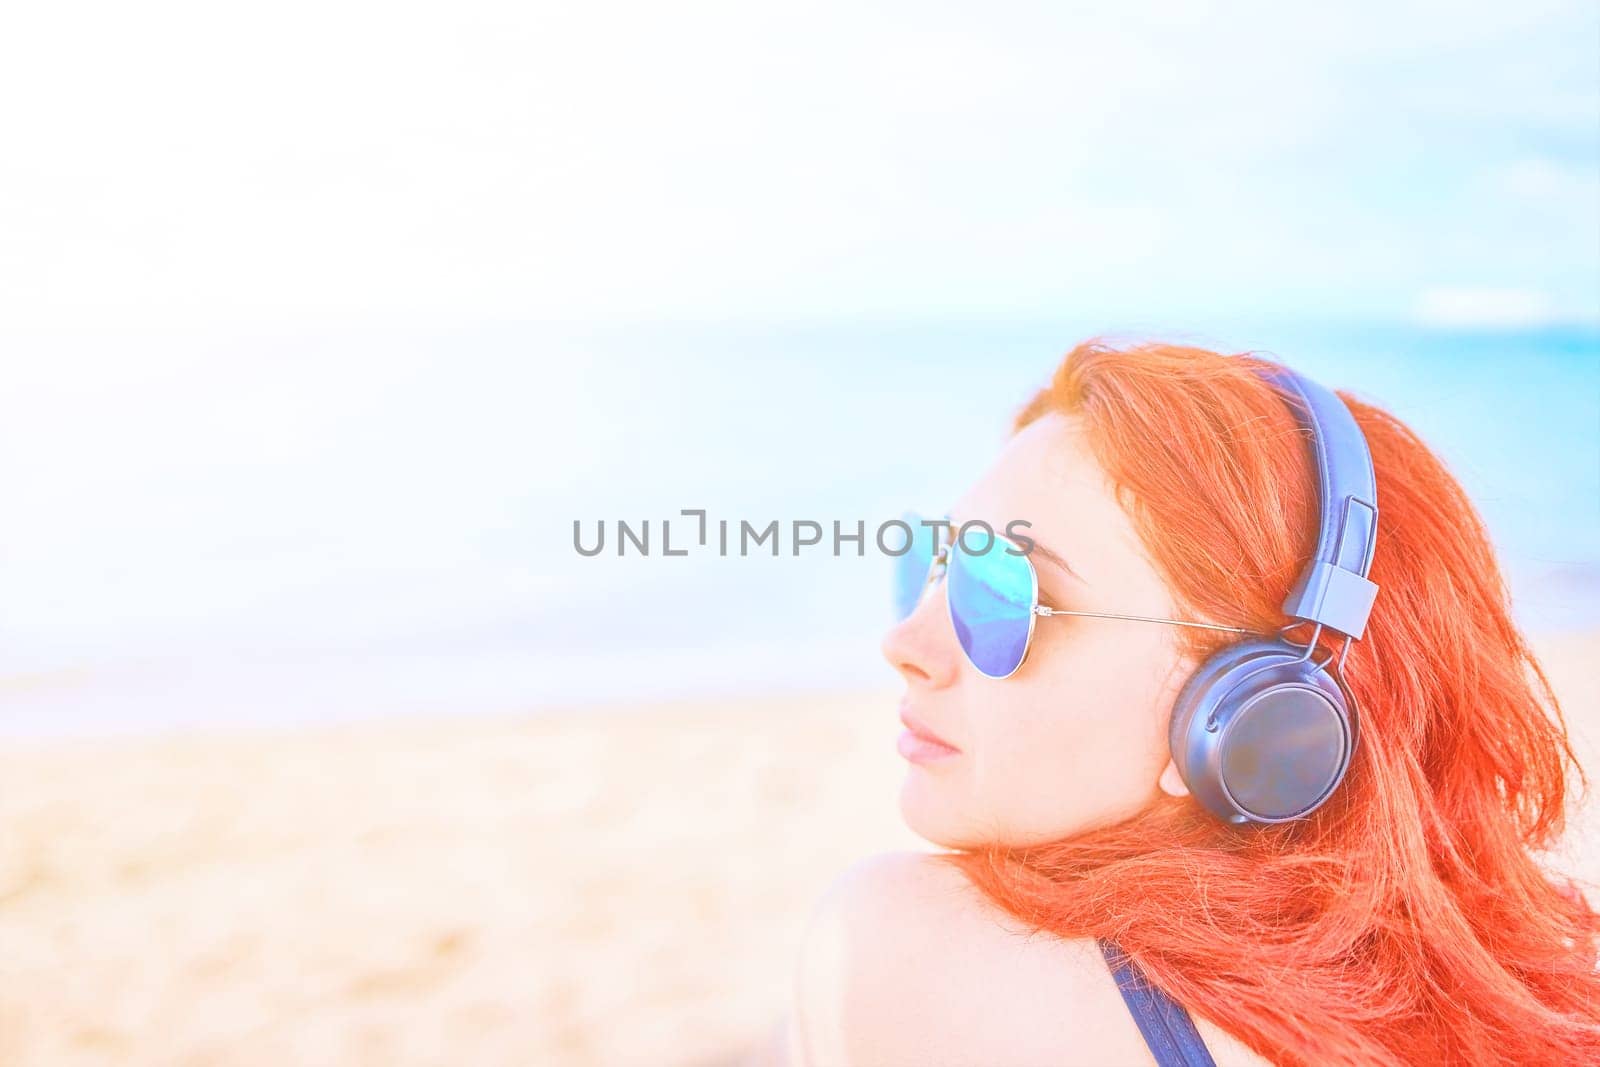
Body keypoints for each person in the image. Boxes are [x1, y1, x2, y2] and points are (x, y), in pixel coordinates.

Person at [760, 340, 1600, 1066]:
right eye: (939, 561)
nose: (906, 642)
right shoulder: (1531, 1001)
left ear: (1253, 712)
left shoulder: (899, 944)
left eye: (1000, 593)